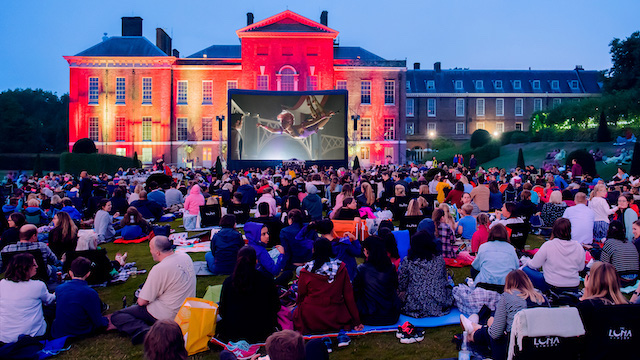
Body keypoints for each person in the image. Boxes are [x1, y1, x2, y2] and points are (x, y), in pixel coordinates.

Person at [111, 236, 196, 344]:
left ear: (157, 252)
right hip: (186, 309)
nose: (150, 251)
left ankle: (149, 332)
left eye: (150, 248)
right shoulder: (185, 256)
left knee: (118, 316)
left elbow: (142, 302)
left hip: (168, 315)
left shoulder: (159, 269)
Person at [460, 270, 549, 360]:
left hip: (515, 349)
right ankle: (474, 327)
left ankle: (471, 333)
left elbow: (495, 333)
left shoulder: (508, 296)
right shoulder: (543, 298)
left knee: (492, 330)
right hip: (540, 346)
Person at [293, 239, 363, 334]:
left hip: (311, 316)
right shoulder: (340, 268)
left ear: (314, 250)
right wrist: (356, 320)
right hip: (335, 315)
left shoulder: (306, 271)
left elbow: (301, 294)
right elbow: (348, 296)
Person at [217, 246, 280, 343]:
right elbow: (276, 307)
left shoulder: (229, 282)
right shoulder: (266, 280)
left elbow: (223, 311)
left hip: (234, 333)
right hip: (262, 332)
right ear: (256, 261)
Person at [0, 253, 56, 344]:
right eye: (34, 264)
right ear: (24, 268)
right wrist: (57, 293)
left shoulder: (2, 284)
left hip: (4, 338)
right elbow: (50, 301)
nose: (37, 266)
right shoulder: (37, 285)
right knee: (51, 310)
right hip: (33, 337)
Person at [398, 230, 453, 318]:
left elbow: (402, 285)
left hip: (415, 304)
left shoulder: (408, 261)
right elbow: (443, 280)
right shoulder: (439, 260)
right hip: (439, 301)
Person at [51, 257, 109, 339]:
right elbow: (98, 322)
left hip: (59, 331)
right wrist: (105, 321)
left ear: (70, 273)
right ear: (88, 274)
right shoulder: (90, 293)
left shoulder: (59, 289)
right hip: (80, 331)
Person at [524, 218, 585, 292]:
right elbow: (581, 267)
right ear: (570, 230)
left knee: (525, 270)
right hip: (573, 286)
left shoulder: (549, 245)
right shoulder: (578, 246)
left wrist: (526, 261)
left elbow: (534, 265)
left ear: (554, 230)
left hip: (551, 285)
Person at [353, 236, 401, 326]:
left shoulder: (361, 269)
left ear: (367, 251)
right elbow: (395, 287)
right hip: (391, 316)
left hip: (369, 316)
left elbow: (355, 292)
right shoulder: (391, 267)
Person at [472, 224, 519, 290]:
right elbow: (516, 267)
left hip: (484, 284)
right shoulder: (511, 248)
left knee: (474, 269)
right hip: (505, 285)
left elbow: (476, 266)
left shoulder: (483, 247)